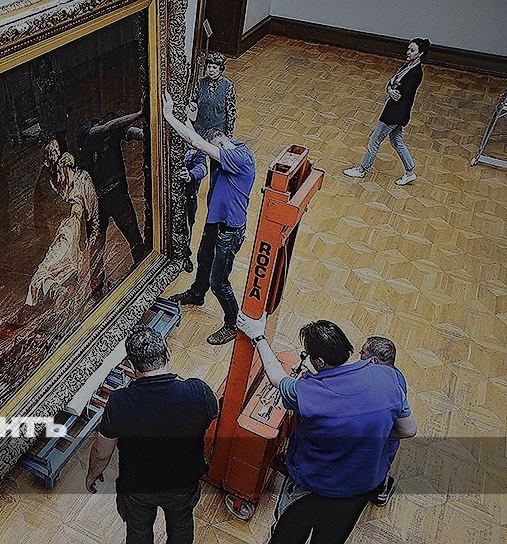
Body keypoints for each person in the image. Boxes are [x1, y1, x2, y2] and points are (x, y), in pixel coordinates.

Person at [236, 314, 418, 544]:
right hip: (358, 489)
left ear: (319, 362)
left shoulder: (308, 393)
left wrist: (258, 336)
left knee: (287, 536)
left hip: (312, 485)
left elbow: (276, 377)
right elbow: (408, 429)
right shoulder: (387, 376)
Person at [86, 325, 218, 544]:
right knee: (181, 525)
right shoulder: (198, 392)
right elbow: (212, 414)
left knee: (138, 531)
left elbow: (102, 452)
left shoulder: (120, 402)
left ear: (131, 365)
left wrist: (92, 474)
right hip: (183, 482)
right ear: (168, 353)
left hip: (138, 486)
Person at [162, 91, 256, 345]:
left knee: (219, 282)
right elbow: (196, 139)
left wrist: (169, 116)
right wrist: (186, 116)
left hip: (230, 230)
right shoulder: (229, 147)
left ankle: (232, 323)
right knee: (203, 260)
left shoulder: (239, 158)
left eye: (214, 149)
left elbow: (196, 142)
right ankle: (196, 294)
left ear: (222, 143)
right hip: (215, 222)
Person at [344, 37, 430, 186]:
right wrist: (390, 89)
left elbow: (399, 94)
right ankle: (410, 172)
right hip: (396, 112)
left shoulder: (416, 73)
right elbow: (392, 82)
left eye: (412, 50)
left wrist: (391, 89)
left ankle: (362, 169)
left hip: (394, 114)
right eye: (408, 49)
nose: (408, 52)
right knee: (397, 141)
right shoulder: (407, 66)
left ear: (420, 54)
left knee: (374, 140)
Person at [26, 141, 102, 308]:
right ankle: (58, 292)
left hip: (69, 238)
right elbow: (40, 214)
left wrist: (90, 243)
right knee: (50, 272)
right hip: (62, 237)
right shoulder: (50, 183)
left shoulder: (82, 181)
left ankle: (57, 292)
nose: (58, 174)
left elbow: (94, 216)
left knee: (42, 274)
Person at [75, 110, 147, 266]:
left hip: (117, 195)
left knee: (135, 239)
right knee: (96, 250)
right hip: (97, 203)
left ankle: (142, 267)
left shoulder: (110, 125)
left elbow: (129, 132)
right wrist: (140, 113)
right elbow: (108, 128)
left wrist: (147, 134)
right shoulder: (83, 131)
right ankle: (97, 282)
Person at [360, 335, 406, 507]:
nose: (359, 356)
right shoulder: (396, 376)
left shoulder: (379, 387)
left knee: (376, 469)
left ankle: (380, 492)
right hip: (385, 437)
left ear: (374, 360)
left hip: (381, 439)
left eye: (362, 353)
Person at [186, 51, 236, 140]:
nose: (211, 70)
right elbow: (194, 101)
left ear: (221, 69)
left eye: (214, 67)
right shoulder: (200, 82)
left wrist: (229, 135)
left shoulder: (228, 87)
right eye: (209, 67)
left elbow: (231, 113)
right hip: (200, 129)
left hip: (217, 132)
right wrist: (192, 106)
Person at [181, 149, 207, 273]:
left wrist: (190, 175)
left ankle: (185, 254)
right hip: (166, 194)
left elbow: (203, 168)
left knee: (188, 226)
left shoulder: (196, 149)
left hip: (189, 195)